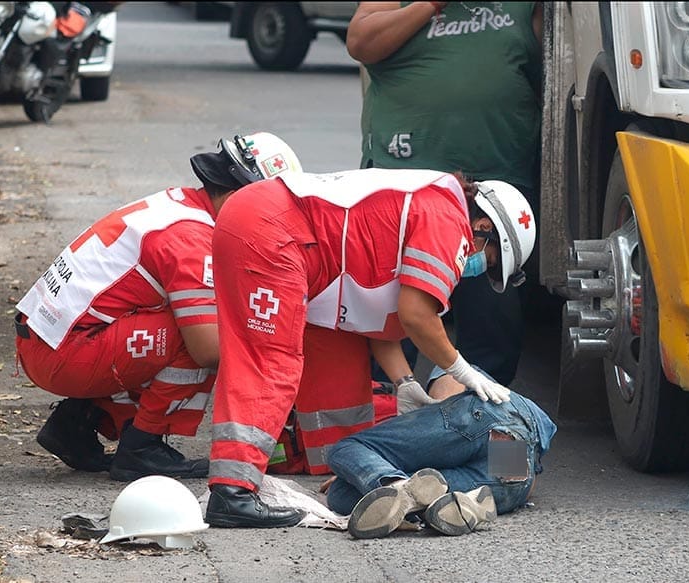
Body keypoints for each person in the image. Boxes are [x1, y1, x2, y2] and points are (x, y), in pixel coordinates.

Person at [205, 167, 537, 528]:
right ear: (484, 228)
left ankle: (390, 486)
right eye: (487, 261)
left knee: (347, 457)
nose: (475, 269)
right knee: (271, 360)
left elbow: (379, 320)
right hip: (521, 437)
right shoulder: (447, 216)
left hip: (498, 427)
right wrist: (461, 369)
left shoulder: (429, 204)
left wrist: (406, 382)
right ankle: (233, 490)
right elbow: (416, 315)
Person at [14, 131, 302, 482]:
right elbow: (208, 349)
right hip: (62, 352)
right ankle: (143, 447)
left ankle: (76, 422)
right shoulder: (194, 239)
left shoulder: (181, 205)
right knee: (209, 334)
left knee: (177, 320)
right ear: (240, 195)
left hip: (50, 339)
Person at [347, 1, 544, 386]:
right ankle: (384, 412)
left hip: (493, 188)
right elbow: (361, 41)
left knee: (492, 324)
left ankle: (472, 422)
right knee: (389, 317)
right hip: (404, 184)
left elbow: (549, 74)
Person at [325, 365, 557, 539]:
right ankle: (462, 503)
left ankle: (395, 484)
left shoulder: (458, 373)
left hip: (487, 417)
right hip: (515, 480)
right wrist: (362, 471)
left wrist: (364, 466)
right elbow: (526, 484)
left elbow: (447, 428)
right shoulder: (523, 413)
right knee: (340, 494)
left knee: (347, 448)